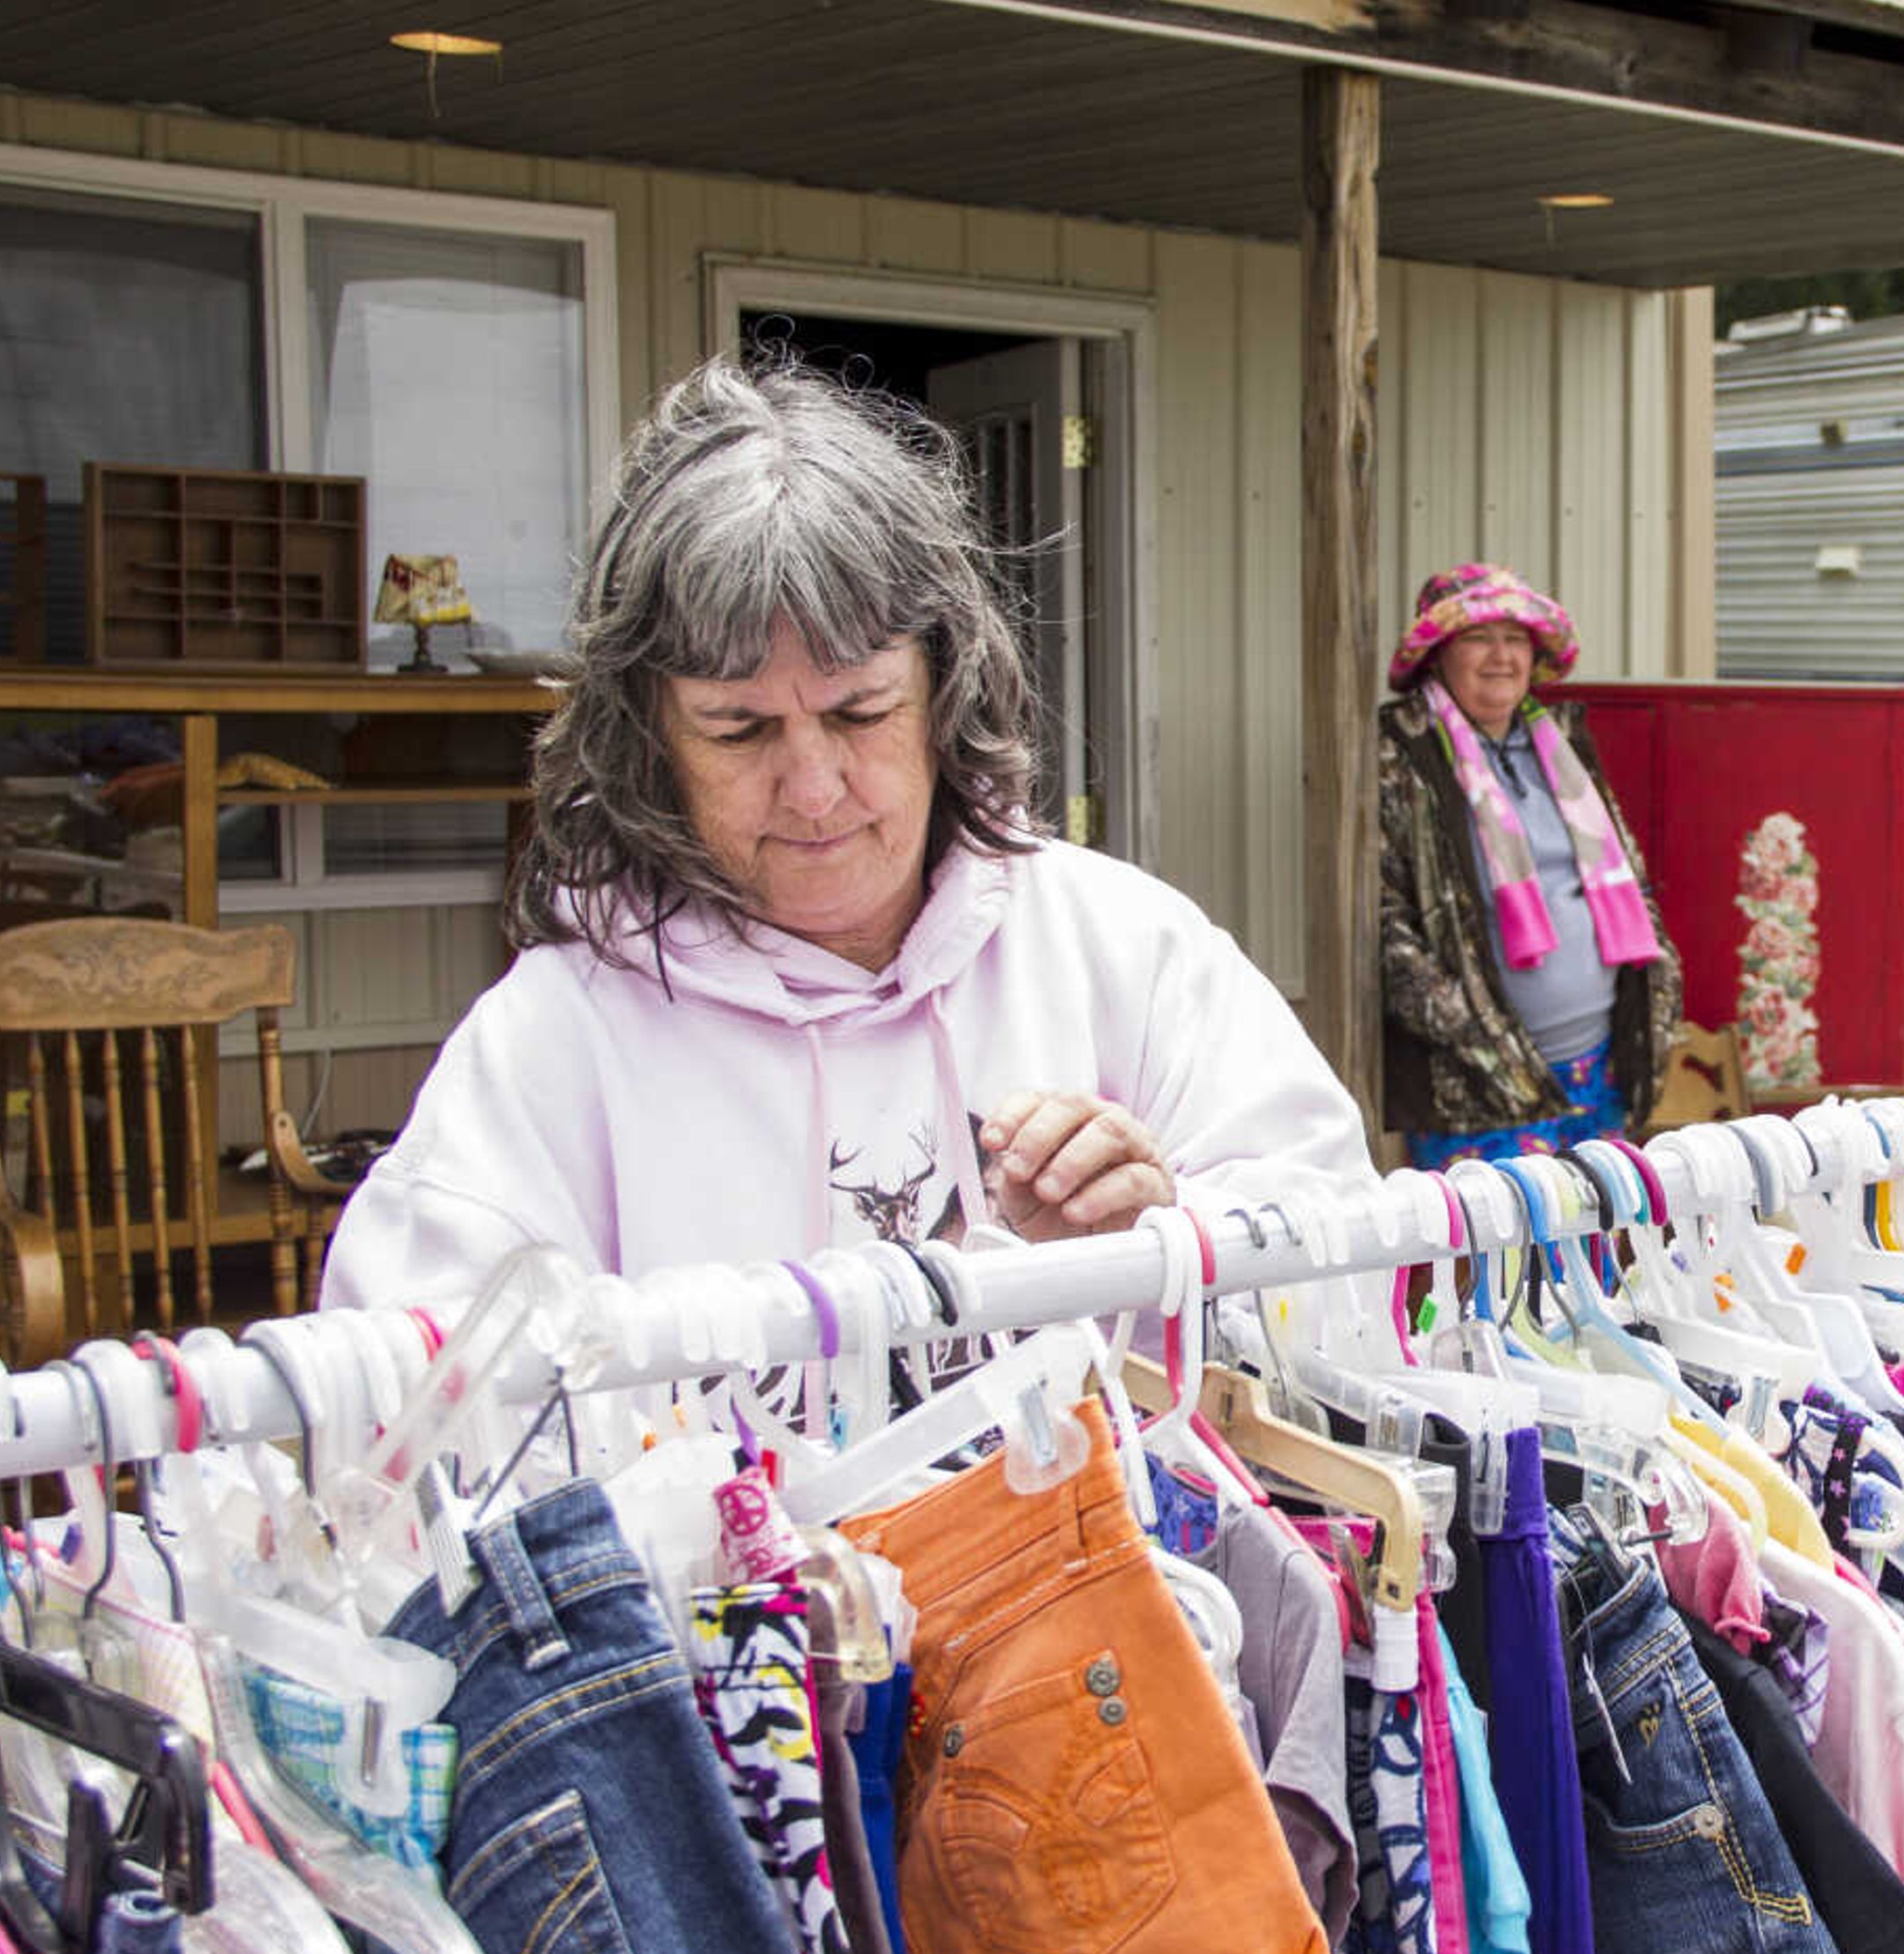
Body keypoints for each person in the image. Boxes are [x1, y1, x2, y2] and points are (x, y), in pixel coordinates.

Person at [324, 357, 1372, 1311]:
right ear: (648, 737)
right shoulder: (557, 1041)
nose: (815, 790)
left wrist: (1158, 1248)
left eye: (861, 712)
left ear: (947, 689)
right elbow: (412, 1410)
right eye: (740, 729)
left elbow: (1347, 1280)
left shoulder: (1121, 948)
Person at [1376, 562, 1681, 1166]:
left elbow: (1630, 877)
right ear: (1438, 654)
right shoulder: (1399, 754)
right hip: (1481, 1085)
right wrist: (1485, 1043)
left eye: (1515, 639)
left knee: (1595, 1248)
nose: (1501, 656)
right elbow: (1385, 925)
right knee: (1502, 1257)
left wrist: (1659, 992)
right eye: (1478, 638)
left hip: (1601, 1070)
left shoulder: (1559, 743)